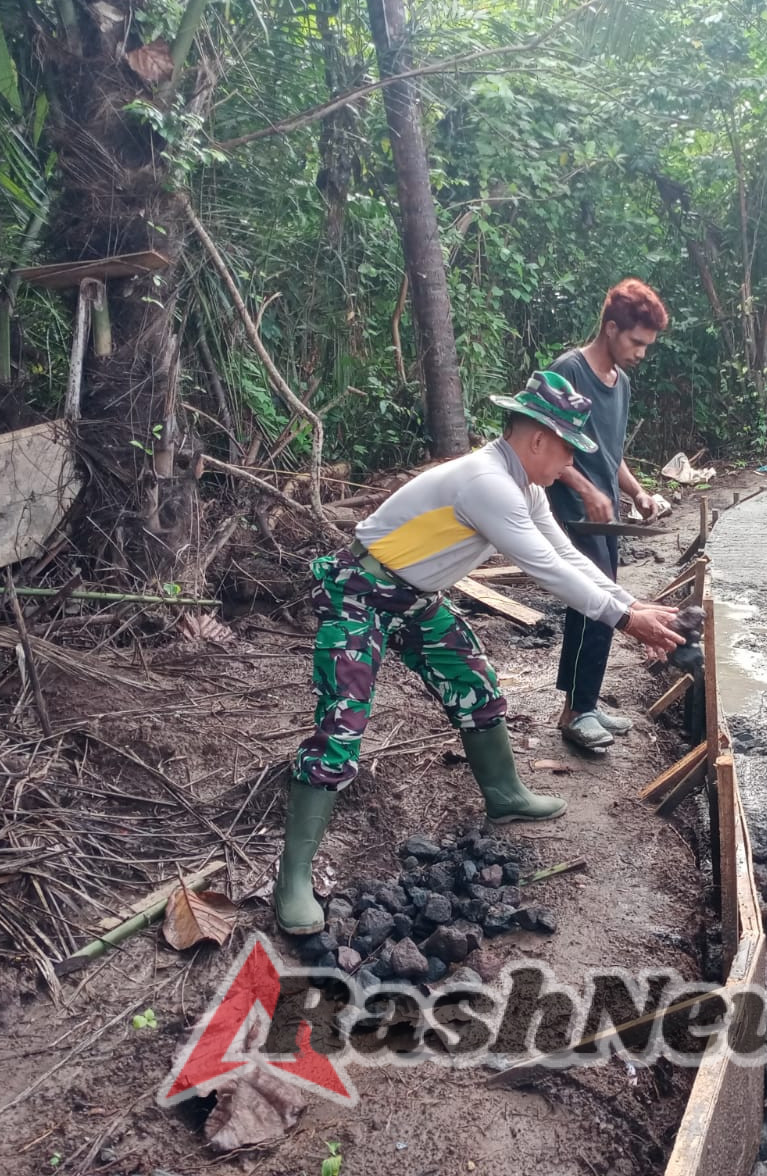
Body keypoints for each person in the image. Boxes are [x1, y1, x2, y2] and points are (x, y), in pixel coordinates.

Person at [274, 371, 684, 935]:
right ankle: (293, 877)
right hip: (360, 592)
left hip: (414, 597)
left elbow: (567, 555)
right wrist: (627, 621)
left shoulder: (525, 487)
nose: (571, 463)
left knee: (475, 684)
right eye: (568, 450)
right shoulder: (487, 483)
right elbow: (545, 571)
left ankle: (505, 794)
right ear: (537, 439)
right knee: (342, 725)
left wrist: (631, 602)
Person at [547, 279, 670, 752]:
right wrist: (585, 489)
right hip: (572, 511)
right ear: (611, 328)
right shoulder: (569, 371)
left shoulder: (622, 383)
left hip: (605, 512)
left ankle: (584, 704)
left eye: (647, 345)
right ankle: (576, 712)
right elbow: (542, 444)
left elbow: (609, 453)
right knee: (593, 604)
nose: (641, 353)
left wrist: (636, 492)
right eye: (636, 342)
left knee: (601, 602)